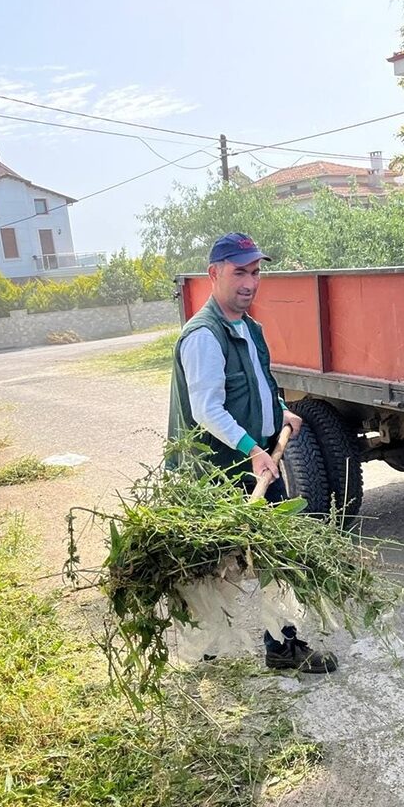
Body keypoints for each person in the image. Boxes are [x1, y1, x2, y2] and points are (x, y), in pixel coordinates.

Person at [167, 232, 338, 674]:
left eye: (256, 272)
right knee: (208, 567)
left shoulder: (251, 327)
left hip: (258, 458)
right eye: (239, 271)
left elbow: (260, 385)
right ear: (214, 274)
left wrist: (282, 411)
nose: (250, 282)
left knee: (272, 559)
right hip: (218, 470)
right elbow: (207, 410)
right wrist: (252, 450)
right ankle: (201, 643)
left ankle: (281, 646)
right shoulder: (203, 336)